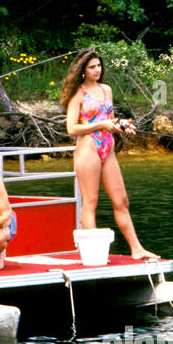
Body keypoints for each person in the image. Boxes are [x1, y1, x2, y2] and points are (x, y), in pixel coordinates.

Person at [61, 48, 158, 259]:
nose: (97, 70)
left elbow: (110, 118)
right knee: (90, 202)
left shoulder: (107, 90)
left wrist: (122, 125)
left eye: (99, 66)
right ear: (83, 70)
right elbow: (71, 129)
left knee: (121, 201)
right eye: (92, 67)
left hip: (108, 148)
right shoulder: (77, 94)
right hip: (88, 147)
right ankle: (91, 254)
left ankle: (137, 249)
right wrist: (101, 124)